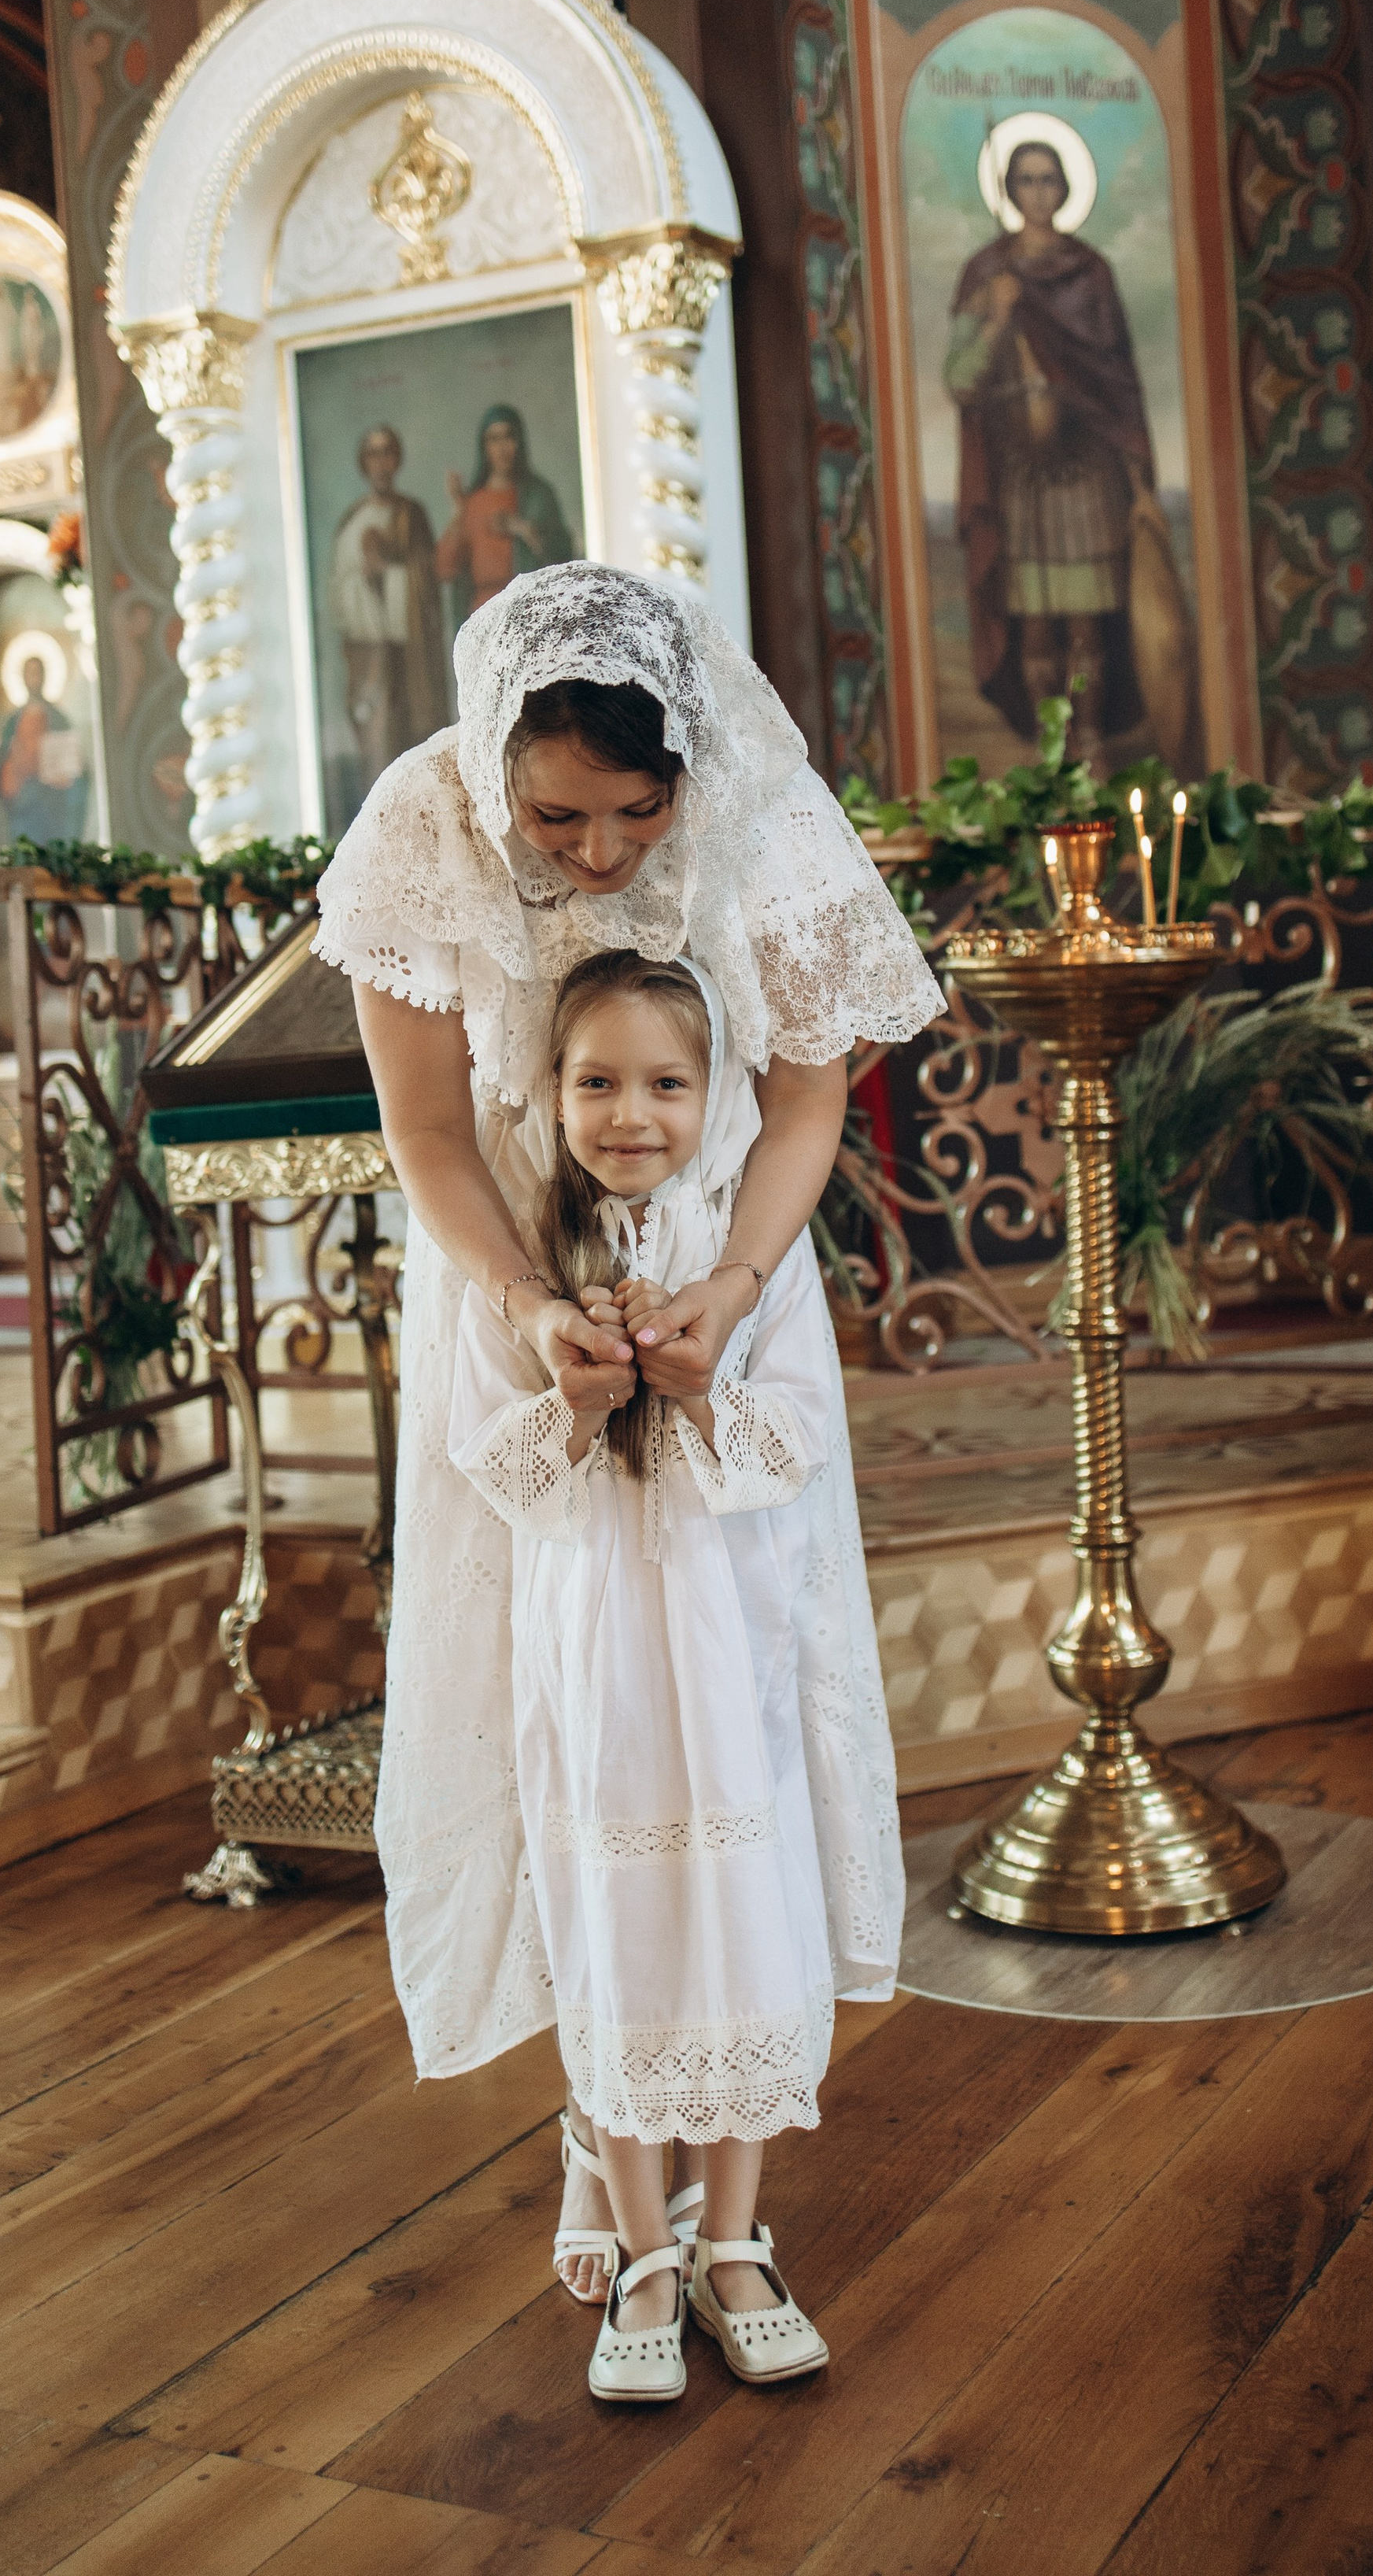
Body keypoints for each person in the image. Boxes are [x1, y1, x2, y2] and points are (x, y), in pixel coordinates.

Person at [314, 563, 942, 2396]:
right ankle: (610, 2149)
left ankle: (731, 2202)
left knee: (729, 1703)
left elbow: (809, 1098)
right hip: (519, 1298)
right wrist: (529, 1317)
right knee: (562, 1718)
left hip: (723, 1290)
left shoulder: (757, 805)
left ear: (689, 773)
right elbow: (428, 1128)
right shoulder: (418, 830)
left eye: (631, 814)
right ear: (484, 762)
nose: (592, 852)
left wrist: (728, 1294)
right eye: (552, 816)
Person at [452, 948, 847, 2398]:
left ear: (719, 1093)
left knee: (738, 1909)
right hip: (597, 1644)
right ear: (550, 1095)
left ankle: (736, 2238)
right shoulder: (523, 1266)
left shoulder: (753, 1243)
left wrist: (707, 1383)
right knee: (614, 1915)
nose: (632, 1113)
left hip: (723, 1632)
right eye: (598, 1081)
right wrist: (570, 1392)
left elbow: (799, 1432)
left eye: (667, 1082)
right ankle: (643, 2245)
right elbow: (485, 1465)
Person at [946, 136, 1164, 748]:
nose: (1038, 194)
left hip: (1087, 472)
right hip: (1021, 478)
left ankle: (1090, 744)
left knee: (1088, 628)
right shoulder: (986, 275)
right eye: (1026, 181)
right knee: (1036, 628)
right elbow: (960, 383)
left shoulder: (1091, 274)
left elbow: (1118, 383)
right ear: (1010, 191)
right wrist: (995, 318)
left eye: (1049, 180)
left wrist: (1141, 488)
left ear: (1066, 188)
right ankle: (1050, 753)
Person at [327, 424, 444, 804]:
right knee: (378, 743)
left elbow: (429, 577)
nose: (381, 463)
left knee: (417, 738)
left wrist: (389, 575)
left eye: (388, 453)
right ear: (364, 463)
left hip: (412, 654)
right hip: (370, 654)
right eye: (373, 454)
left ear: (397, 460)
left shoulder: (413, 515)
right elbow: (339, 587)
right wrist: (366, 581)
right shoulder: (352, 521)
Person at [436, 401, 574, 621]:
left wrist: (522, 528)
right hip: (484, 611)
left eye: (508, 436)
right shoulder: (473, 502)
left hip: (529, 608)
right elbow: (446, 569)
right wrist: (458, 509)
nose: (502, 448)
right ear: (484, 446)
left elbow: (562, 555)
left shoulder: (539, 495)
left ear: (519, 441)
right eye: (494, 439)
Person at [0, 650, 88, 841]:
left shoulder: (58, 719)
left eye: (38, 673)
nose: (34, 679)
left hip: (53, 803)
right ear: (23, 678)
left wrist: (64, 775)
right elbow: (3, 766)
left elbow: (75, 770)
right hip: (23, 805)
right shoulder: (13, 722)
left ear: (45, 677)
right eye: (30, 673)